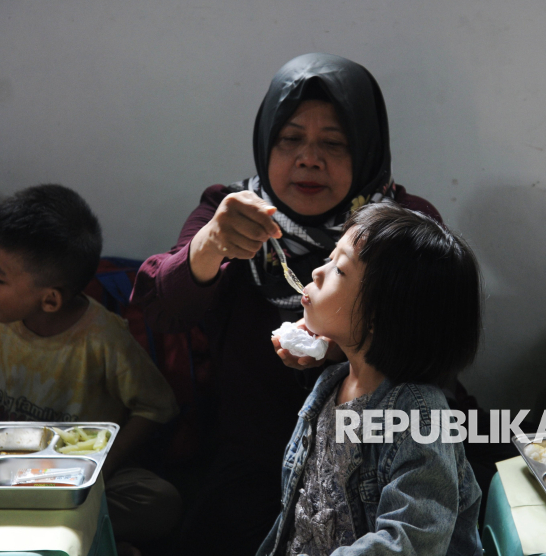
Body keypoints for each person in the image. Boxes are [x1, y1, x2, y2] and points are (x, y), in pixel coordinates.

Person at [131, 53, 444, 555]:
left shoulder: (399, 230)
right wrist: (211, 245)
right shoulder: (230, 211)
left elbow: (433, 344)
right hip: (252, 461)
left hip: (373, 457)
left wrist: (347, 352)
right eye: (290, 138)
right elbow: (162, 309)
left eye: (335, 143)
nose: (308, 158)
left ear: (366, 149)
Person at [0, 184, 180, 556]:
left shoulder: (104, 338)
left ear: (49, 299)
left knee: (160, 501)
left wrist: (102, 470)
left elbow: (156, 407)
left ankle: (80, 529)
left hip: (68, 477)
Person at [260, 202, 483, 556]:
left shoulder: (420, 417)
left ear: (383, 313)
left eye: (339, 270)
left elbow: (410, 540)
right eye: (330, 259)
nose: (317, 273)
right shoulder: (332, 382)